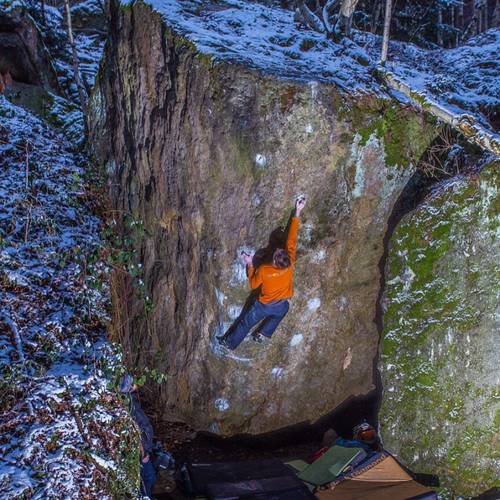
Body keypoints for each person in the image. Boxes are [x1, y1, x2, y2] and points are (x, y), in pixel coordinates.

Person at [220, 196, 306, 350]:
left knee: (245, 322)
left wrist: (250, 263)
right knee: (284, 309)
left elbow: (253, 284)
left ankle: (229, 343)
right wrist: (297, 212)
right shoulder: (290, 261)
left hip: (263, 306)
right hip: (280, 304)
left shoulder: (265, 271)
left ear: (274, 261)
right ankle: (263, 333)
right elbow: (291, 239)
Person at [119, 375, 156, 498]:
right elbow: (133, 429)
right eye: (132, 384)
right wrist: (142, 454)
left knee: (150, 477)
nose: (135, 385)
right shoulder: (126, 404)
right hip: (141, 454)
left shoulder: (132, 399)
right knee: (145, 480)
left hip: (145, 450)